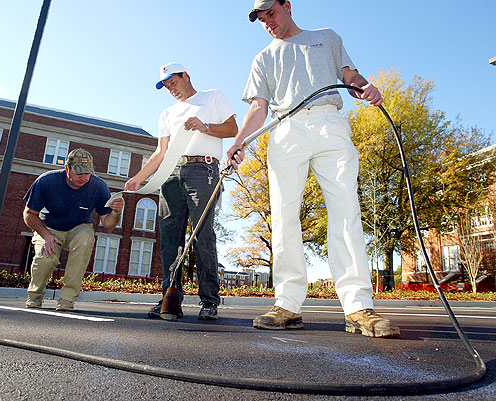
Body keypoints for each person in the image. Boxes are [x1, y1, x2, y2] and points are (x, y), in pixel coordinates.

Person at [226, 0, 400, 337]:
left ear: (287, 6)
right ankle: (287, 304)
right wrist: (239, 140)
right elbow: (259, 107)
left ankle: (359, 306)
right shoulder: (263, 58)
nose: (268, 23)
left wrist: (365, 86)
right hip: (286, 128)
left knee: (346, 209)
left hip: (329, 123)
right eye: (261, 20)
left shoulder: (327, 38)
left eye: (271, 14)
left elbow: (350, 76)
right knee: (283, 215)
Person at [125, 62, 238, 320]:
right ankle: (170, 296)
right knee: (169, 238)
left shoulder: (212, 97)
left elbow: (232, 129)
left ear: (186, 76)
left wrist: (205, 126)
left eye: (173, 83)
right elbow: (160, 152)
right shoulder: (166, 114)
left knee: (202, 235)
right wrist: (139, 178)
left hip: (203, 170)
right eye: (166, 86)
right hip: (170, 174)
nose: (171, 89)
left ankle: (209, 301)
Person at [23, 148, 123, 311]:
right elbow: (29, 214)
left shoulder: (98, 186)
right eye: (78, 173)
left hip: (79, 227)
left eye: (87, 173)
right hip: (49, 227)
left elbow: (108, 224)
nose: (83, 178)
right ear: (67, 169)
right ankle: (35, 296)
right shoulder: (46, 181)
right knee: (45, 258)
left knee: (85, 239)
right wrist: (46, 235)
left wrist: (116, 212)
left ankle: (67, 300)